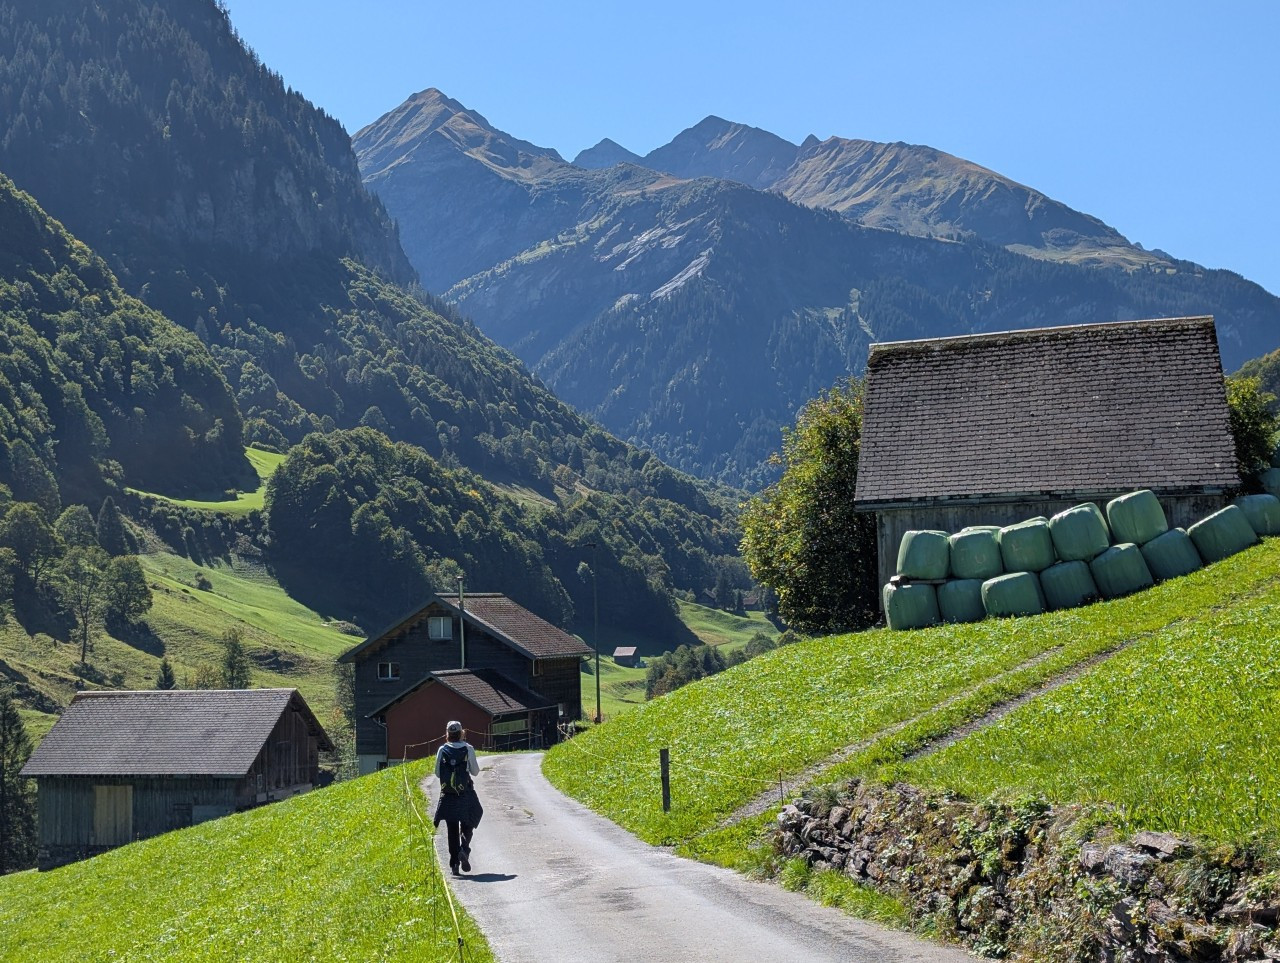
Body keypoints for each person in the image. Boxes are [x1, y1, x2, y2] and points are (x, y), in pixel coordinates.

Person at [433, 720, 483, 875]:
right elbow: (475, 772)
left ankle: (454, 864)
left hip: (448, 795)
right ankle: (464, 848)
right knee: (471, 819)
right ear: (461, 733)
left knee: (452, 828)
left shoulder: (443, 749)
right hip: (465, 793)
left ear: (447, 734)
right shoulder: (468, 749)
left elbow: (437, 773)